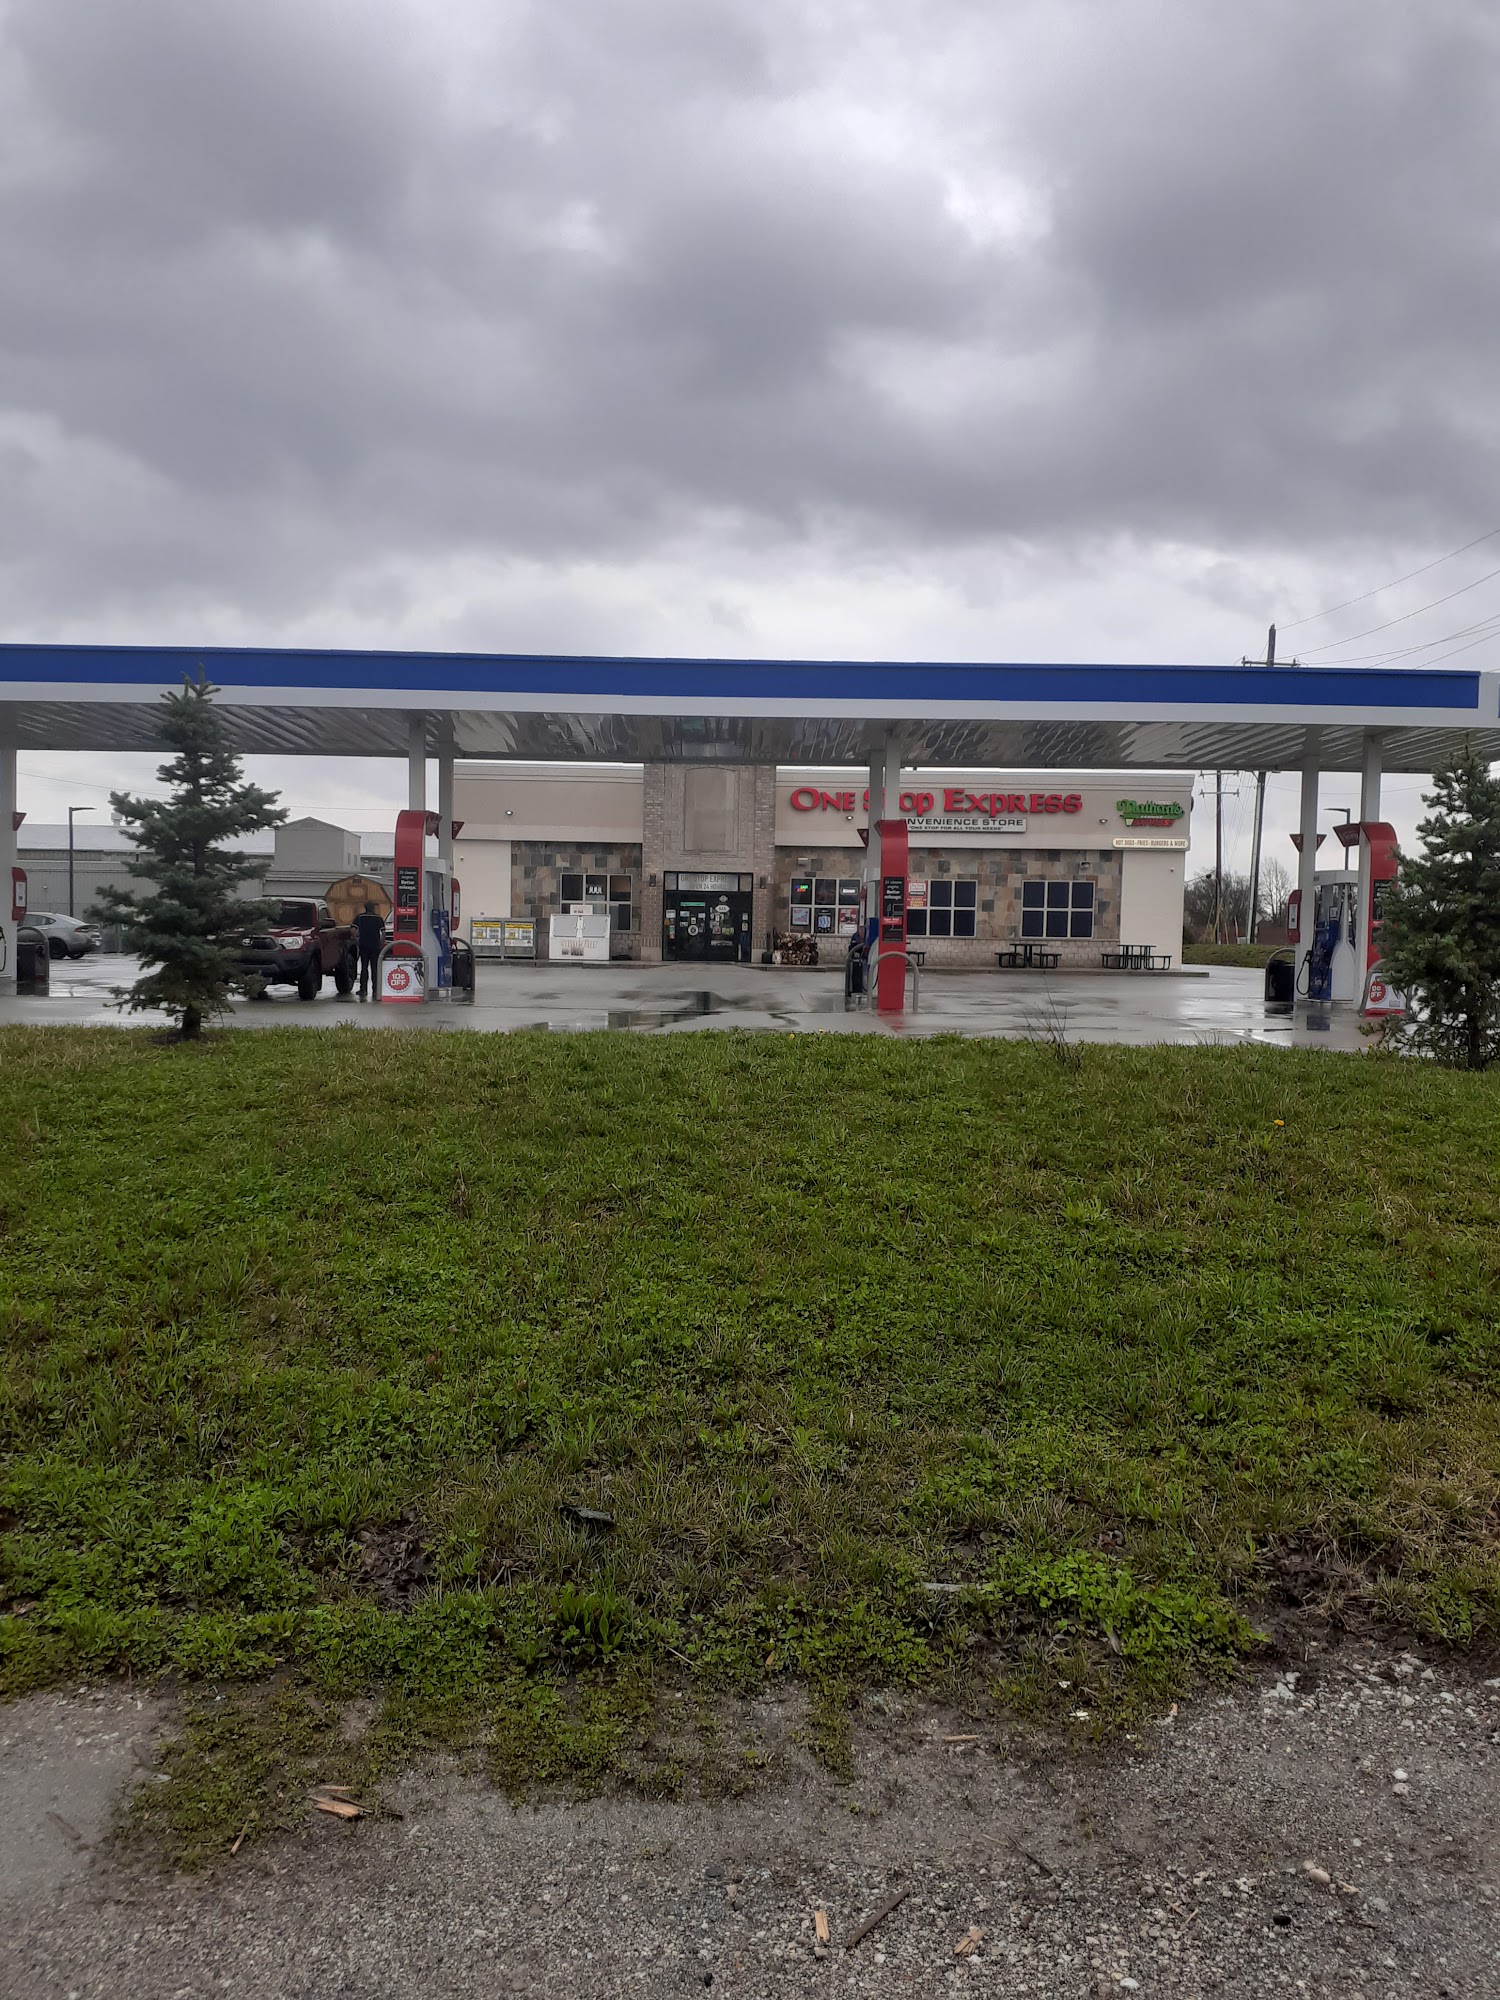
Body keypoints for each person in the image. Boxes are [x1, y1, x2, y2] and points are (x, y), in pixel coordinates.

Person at [354, 901, 385, 999]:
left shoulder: (359, 917)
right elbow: (383, 933)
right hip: (375, 945)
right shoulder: (378, 918)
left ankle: (363, 990)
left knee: (364, 967)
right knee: (374, 968)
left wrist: (356, 940)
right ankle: (375, 990)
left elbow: (353, 930)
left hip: (363, 945)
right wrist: (381, 944)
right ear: (373, 908)